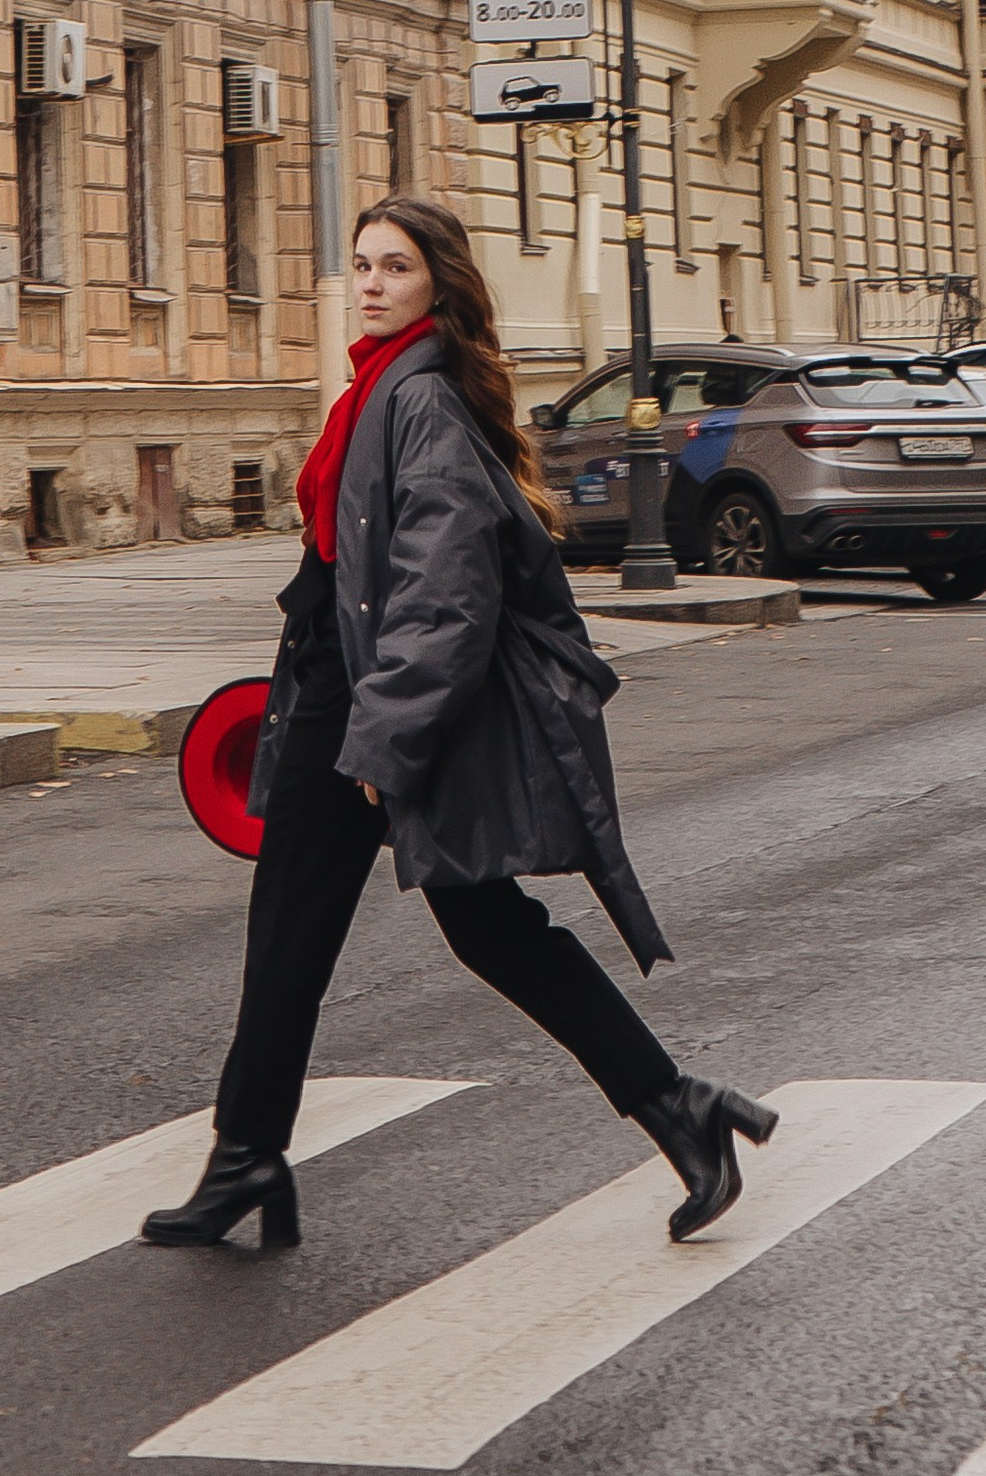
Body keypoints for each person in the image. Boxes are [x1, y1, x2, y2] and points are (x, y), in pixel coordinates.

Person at [145, 192, 774, 1255]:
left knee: (323, 935)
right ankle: (677, 1109)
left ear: (438, 279)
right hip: (348, 692)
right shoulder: (385, 389)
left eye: (395, 265)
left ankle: (250, 1158)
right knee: (460, 929)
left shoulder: (416, 399)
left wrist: (383, 741)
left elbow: (446, 586)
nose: (375, 283)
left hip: (371, 710)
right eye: (362, 266)